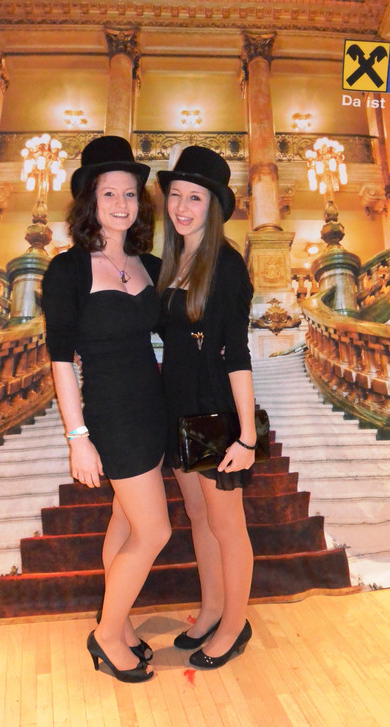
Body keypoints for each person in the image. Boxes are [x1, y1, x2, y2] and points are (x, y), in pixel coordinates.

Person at [41, 135, 171, 683]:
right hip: (112, 415)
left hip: (153, 407)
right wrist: (78, 438)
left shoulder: (151, 263)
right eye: (109, 193)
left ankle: (121, 624)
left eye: (131, 193)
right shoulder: (67, 270)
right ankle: (106, 636)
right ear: (89, 201)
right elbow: (60, 361)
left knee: (125, 520)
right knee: (155, 531)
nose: (121, 203)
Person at [157, 145, 255, 669]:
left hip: (215, 412)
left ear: (213, 206)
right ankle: (213, 608)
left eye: (194, 197)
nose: (182, 207)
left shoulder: (227, 265)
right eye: (176, 195)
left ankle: (235, 625)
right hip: (177, 407)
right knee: (199, 516)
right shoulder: (174, 261)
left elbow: (236, 354)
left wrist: (247, 436)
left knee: (227, 525)